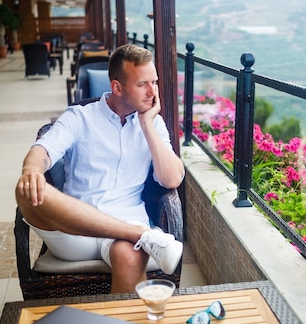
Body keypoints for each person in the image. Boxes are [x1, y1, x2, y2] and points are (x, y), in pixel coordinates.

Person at [15, 44, 184, 294]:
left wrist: (147, 125)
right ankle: (141, 235)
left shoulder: (154, 123)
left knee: (129, 255)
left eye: (155, 82)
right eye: (142, 84)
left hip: (125, 227)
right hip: (73, 233)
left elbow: (172, 180)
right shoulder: (79, 117)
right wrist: (32, 170)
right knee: (24, 190)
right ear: (117, 87)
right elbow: (42, 150)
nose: (152, 92)